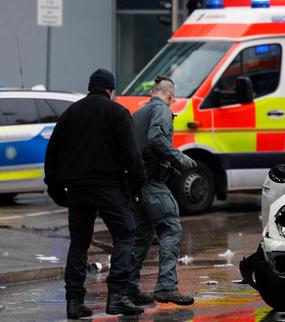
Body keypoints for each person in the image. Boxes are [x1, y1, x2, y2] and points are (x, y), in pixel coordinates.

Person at [44, 69, 146, 319]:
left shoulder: (71, 113)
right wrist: (137, 185)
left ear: (90, 87)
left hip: (77, 188)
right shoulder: (117, 112)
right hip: (108, 186)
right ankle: (118, 296)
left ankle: (74, 302)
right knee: (125, 233)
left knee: (79, 242)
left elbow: (52, 152)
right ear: (111, 90)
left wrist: (55, 188)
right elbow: (131, 155)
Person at [127, 76, 197, 306]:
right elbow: (156, 139)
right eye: (173, 96)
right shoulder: (162, 111)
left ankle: (128, 288)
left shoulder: (138, 114)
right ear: (168, 94)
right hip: (152, 183)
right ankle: (166, 286)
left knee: (143, 235)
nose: (173, 99)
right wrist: (180, 159)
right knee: (171, 227)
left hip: (136, 184)